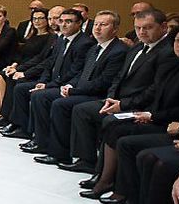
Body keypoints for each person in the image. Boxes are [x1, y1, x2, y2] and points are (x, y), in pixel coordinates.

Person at [64, 9, 172, 178]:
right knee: (82, 110)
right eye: (138, 28)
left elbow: (155, 89)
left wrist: (122, 105)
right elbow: (119, 77)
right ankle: (87, 161)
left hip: (139, 106)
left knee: (110, 121)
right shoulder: (137, 47)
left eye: (147, 27)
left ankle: (104, 175)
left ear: (163, 27)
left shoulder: (167, 52)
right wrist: (112, 98)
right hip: (118, 99)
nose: (142, 32)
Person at [29, 11, 127, 166]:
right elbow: (82, 73)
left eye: (103, 25)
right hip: (82, 89)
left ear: (115, 29)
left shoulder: (118, 51)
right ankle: (45, 144)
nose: (97, 28)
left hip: (98, 95)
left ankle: (65, 154)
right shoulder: (95, 47)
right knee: (42, 96)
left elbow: (104, 82)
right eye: (96, 24)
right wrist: (69, 85)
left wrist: (74, 90)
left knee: (60, 104)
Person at [2, 8, 94, 140]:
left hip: (65, 84)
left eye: (68, 21)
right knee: (21, 88)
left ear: (79, 23)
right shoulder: (63, 39)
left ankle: (41, 139)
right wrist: (43, 81)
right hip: (52, 80)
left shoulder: (83, 43)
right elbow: (50, 63)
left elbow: (74, 71)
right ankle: (21, 127)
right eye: (61, 21)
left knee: (39, 96)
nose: (63, 24)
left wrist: (48, 85)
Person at [0, 7, 48, 121]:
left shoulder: (49, 38)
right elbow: (21, 54)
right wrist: (14, 65)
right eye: (34, 19)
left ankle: (4, 114)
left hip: (29, 68)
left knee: (2, 77)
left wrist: (19, 69)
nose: (37, 21)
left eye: (40, 18)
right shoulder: (31, 36)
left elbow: (40, 59)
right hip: (20, 64)